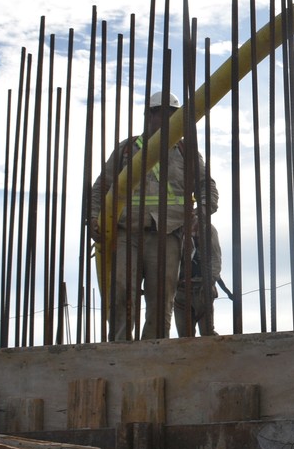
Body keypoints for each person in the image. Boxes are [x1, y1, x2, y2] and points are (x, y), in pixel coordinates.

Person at [88, 91, 213, 340]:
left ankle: (153, 350)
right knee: (122, 292)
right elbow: (102, 186)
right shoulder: (127, 149)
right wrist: (93, 217)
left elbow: (205, 185)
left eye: (172, 114)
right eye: (161, 113)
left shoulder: (186, 151)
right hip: (127, 232)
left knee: (161, 298)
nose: (166, 119)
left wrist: (205, 208)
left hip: (168, 234)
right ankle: (121, 349)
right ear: (149, 115)